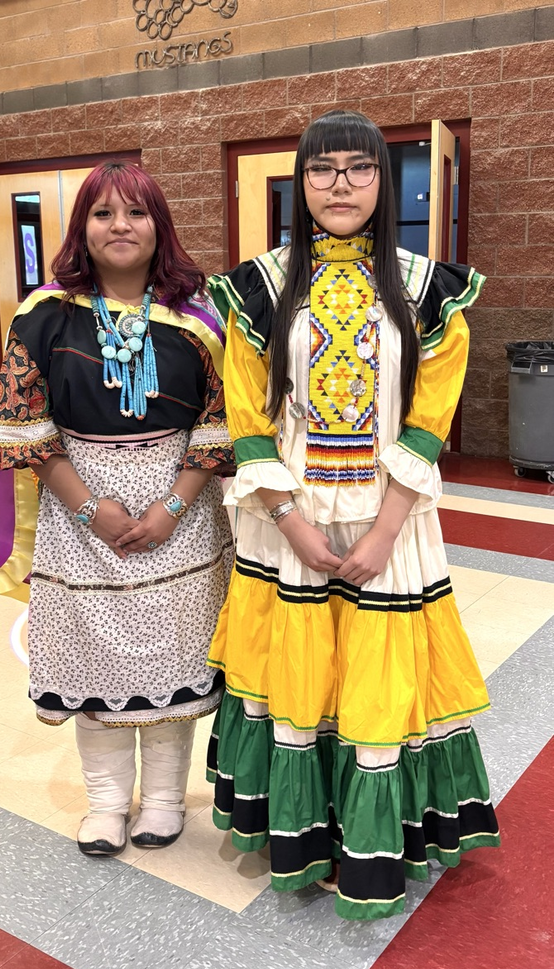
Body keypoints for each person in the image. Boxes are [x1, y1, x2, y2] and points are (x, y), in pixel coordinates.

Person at [206, 110, 500, 921]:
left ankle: (371, 838)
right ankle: (302, 833)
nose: (341, 185)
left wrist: (384, 528)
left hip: (389, 516)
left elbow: (431, 417)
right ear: (299, 183)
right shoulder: (257, 288)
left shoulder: (427, 287)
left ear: (384, 180)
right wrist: (293, 521)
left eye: (359, 169)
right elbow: (246, 418)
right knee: (301, 672)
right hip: (287, 513)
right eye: (323, 169)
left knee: (373, 669)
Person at [0, 161, 233, 857]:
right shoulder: (44, 314)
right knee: (92, 665)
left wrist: (169, 510)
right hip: (77, 508)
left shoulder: (202, 313)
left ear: (161, 225)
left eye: (136, 213)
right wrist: (93, 510)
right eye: (103, 213)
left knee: (173, 657)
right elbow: (24, 425)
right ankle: (106, 805)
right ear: (82, 228)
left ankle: (163, 803)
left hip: (180, 512)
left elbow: (220, 423)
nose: (120, 227)